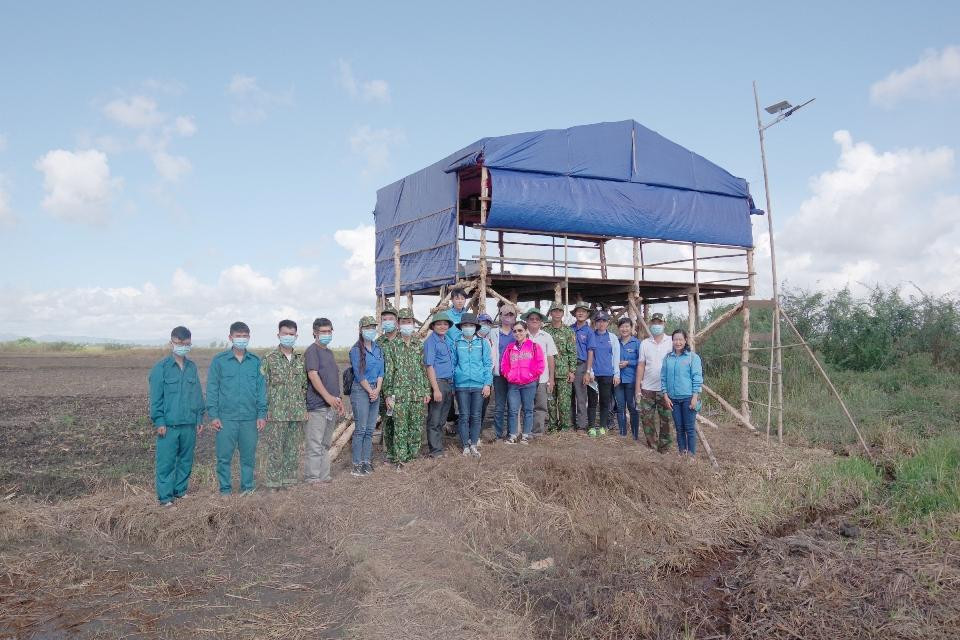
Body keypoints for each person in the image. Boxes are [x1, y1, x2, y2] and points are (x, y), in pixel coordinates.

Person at [207, 321, 267, 495]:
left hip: (249, 418)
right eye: (237, 336)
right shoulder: (219, 361)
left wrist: (261, 414)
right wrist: (213, 415)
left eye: (244, 336)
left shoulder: (255, 362)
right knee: (224, 457)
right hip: (226, 418)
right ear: (230, 337)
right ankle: (225, 490)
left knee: (248, 457)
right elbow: (212, 389)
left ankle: (247, 488)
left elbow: (261, 389)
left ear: (249, 337)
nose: (241, 339)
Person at [148, 326, 205, 506]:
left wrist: (199, 418)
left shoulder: (191, 367)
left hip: (189, 423)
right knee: (166, 462)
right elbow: (156, 398)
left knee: (186, 459)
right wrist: (159, 420)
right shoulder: (161, 368)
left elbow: (197, 394)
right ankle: (165, 498)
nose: (183, 347)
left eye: (186, 344)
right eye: (179, 343)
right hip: (169, 425)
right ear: (171, 342)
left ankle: (180, 491)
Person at [259, 319, 308, 490]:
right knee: (275, 450)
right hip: (276, 413)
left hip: (296, 413)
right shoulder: (269, 358)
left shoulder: (301, 359)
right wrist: (263, 410)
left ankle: (289, 481)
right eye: (285, 333)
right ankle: (273, 483)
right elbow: (261, 385)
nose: (288, 336)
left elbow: (304, 386)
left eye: (291, 334)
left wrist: (303, 408)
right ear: (278, 335)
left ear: (296, 336)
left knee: (292, 450)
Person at [383, 308, 431, 467]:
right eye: (403, 322)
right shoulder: (392, 345)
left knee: (416, 425)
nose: (406, 325)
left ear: (413, 324)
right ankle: (401, 458)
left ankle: (413, 456)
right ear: (398, 324)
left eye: (409, 322)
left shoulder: (418, 344)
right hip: (399, 393)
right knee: (400, 427)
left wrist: (426, 390)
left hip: (417, 393)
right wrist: (388, 394)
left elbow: (423, 369)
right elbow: (389, 371)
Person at [304, 317, 343, 483]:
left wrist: (338, 401)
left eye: (329, 331)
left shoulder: (329, 352)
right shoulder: (312, 351)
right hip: (318, 406)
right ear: (315, 333)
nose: (327, 334)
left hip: (330, 407)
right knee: (315, 443)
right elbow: (313, 375)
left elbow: (331, 378)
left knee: (326, 443)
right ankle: (312, 478)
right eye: (323, 332)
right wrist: (327, 397)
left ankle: (324, 476)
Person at [451, 312, 492, 457]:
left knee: (476, 415)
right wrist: (453, 385)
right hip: (461, 385)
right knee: (463, 415)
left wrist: (487, 384)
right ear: (461, 327)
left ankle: (473, 443)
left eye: (471, 325)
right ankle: (465, 446)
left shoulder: (482, 343)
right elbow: (453, 364)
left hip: (478, 385)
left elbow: (488, 364)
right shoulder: (456, 343)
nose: (468, 328)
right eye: (465, 325)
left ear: (475, 327)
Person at [349, 316, 385, 476]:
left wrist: (377, 389)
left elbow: (381, 371)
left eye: (373, 327)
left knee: (370, 429)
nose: (371, 330)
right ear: (361, 330)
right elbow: (358, 374)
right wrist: (370, 391)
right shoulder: (356, 350)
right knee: (361, 429)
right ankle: (357, 463)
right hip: (361, 390)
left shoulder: (378, 349)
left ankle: (366, 461)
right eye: (367, 327)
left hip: (375, 390)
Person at [661, 329, 703, 461]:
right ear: (672, 341)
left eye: (680, 339)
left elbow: (697, 377)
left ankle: (691, 456)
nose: (677, 342)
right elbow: (663, 378)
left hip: (688, 398)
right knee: (679, 428)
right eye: (675, 339)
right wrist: (665, 395)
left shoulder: (692, 357)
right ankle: (681, 453)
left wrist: (695, 397)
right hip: (673, 399)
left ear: (685, 341)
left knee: (689, 428)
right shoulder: (668, 357)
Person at [501, 320, 545, 444]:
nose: (517, 333)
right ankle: (513, 435)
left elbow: (540, 364)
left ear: (526, 331)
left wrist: (531, 375)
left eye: (520, 330)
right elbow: (504, 365)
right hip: (513, 384)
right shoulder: (510, 348)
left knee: (528, 409)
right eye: (514, 331)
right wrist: (508, 375)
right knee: (513, 410)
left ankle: (526, 435)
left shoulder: (534, 346)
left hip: (529, 383)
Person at [636, 313, 674, 452]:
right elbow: (641, 365)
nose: (656, 325)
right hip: (647, 387)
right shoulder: (645, 343)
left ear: (664, 324)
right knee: (647, 419)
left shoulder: (671, 342)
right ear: (650, 324)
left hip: (665, 389)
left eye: (659, 322)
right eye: (654, 323)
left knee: (666, 420)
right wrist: (637, 389)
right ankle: (652, 444)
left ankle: (664, 448)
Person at [423, 310, 455, 458]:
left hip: (449, 383)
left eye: (445, 324)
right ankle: (435, 451)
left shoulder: (447, 340)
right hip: (439, 383)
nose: (442, 326)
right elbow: (429, 366)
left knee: (442, 418)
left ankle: (439, 447)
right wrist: (435, 389)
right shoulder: (431, 341)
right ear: (433, 326)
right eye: (439, 324)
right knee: (435, 418)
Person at [523, 308, 557, 435]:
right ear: (526, 321)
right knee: (526, 406)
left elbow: (550, 357)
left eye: (537, 319)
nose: (534, 321)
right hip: (525, 378)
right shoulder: (522, 334)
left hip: (542, 378)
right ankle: (525, 431)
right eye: (531, 319)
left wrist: (551, 378)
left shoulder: (546, 336)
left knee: (541, 406)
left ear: (541, 322)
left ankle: (537, 432)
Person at [543, 303, 576, 431]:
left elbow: (572, 352)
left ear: (563, 314)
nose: (557, 313)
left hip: (563, 372)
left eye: (560, 311)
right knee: (550, 401)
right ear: (550, 313)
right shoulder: (545, 331)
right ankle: (552, 426)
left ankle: (565, 427)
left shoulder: (568, 331)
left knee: (564, 403)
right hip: (547, 372)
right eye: (554, 311)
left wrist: (572, 371)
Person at [587, 311, 620, 436]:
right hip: (593, 375)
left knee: (605, 401)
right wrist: (590, 371)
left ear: (607, 322)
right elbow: (589, 355)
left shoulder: (612, 337)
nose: (601, 323)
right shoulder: (591, 336)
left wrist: (616, 374)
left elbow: (616, 356)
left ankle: (602, 426)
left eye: (604, 321)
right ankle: (591, 426)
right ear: (595, 322)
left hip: (607, 374)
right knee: (592, 401)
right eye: (599, 321)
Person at [490, 303, 518, 440]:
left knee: (513, 405)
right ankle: (498, 434)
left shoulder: (517, 332)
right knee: (500, 405)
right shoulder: (494, 333)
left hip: (514, 375)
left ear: (515, 317)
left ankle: (512, 433)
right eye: (505, 314)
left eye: (511, 314)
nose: (508, 317)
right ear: (500, 316)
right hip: (500, 374)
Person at [376, 306, 400, 462]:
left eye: (390, 319)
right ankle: (389, 452)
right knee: (388, 420)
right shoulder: (378, 343)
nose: (387, 322)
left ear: (397, 322)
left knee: (401, 421)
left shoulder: (404, 340)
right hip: (383, 389)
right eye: (384, 320)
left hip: (402, 388)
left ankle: (401, 452)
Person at [570, 302, 596, 432]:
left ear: (587, 314)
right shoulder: (569, 329)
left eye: (583, 311)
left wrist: (587, 371)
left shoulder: (589, 331)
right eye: (578, 311)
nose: (580, 313)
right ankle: (569, 424)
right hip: (569, 366)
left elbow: (590, 352)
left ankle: (581, 425)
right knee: (569, 396)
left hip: (581, 365)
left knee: (581, 397)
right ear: (575, 313)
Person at [614, 318, 641, 439]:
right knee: (620, 407)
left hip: (631, 380)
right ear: (618, 328)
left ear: (631, 328)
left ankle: (635, 434)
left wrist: (628, 362)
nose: (624, 329)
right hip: (618, 380)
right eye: (622, 327)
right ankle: (623, 433)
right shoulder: (615, 342)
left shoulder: (637, 343)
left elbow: (641, 362)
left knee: (632, 407)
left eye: (627, 326)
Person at [477, 312, 496, 427]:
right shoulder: (473, 340)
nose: (486, 326)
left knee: (484, 405)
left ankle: (477, 432)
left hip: (488, 378)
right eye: (483, 323)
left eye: (488, 324)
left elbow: (491, 361)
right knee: (474, 407)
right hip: (476, 378)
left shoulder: (490, 341)